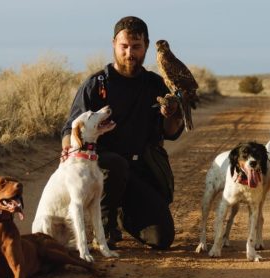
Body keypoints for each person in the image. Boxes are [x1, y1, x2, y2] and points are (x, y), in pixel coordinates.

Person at [60, 16, 184, 250]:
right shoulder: (97, 84)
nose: (129, 53)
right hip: (102, 170)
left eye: (136, 47)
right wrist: (69, 151)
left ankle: (122, 215)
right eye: (124, 46)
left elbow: (171, 132)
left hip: (140, 170)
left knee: (162, 238)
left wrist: (173, 114)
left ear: (146, 45)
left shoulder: (156, 85)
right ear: (114, 44)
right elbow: (70, 128)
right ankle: (104, 229)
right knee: (116, 163)